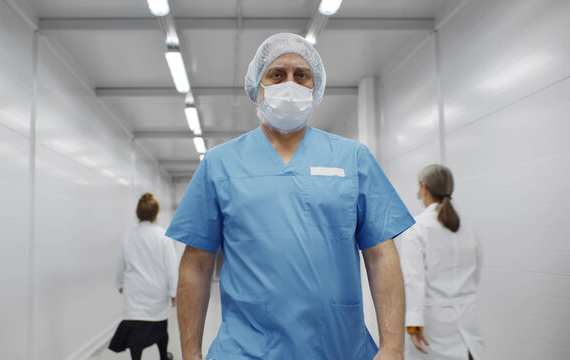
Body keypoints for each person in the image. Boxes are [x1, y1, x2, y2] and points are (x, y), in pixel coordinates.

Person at [166, 33, 416, 360]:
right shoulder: (220, 163)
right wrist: (191, 353)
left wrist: (393, 347)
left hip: (337, 347)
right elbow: (196, 264)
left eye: (301, 75)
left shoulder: (352, 158)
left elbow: (381, 254)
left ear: (316, 88)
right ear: (258, 86)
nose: (290, 84)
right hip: (245, 349)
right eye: (276, 74)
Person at [396, 165, 484, 360]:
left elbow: (413, 280)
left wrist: (414, 323)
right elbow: (476, 270)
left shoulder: (416, 228)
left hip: (434, 325)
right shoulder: (468, 227)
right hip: (468, 316)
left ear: (424, 188)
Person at [109, 193, 178, 360]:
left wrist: (119, 284)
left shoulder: (128, 236)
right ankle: (163, 356)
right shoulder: (163, 236)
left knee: (135, 330)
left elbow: (120, 265)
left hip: (135, 292)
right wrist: (174, 291)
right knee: (160, 327)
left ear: (138, 214)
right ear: (156, 214)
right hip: (157, 293)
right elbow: (171, 268)